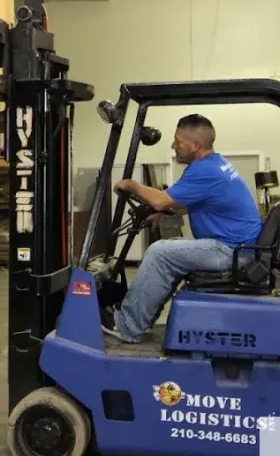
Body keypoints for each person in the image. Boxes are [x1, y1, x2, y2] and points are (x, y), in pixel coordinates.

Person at [100, 114, 263, 343]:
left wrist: (132, 185)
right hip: (238, 247)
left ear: (195, 145)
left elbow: (160, 199)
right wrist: (162, 211)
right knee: (172, 249)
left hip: (232, 250)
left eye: (178, 141)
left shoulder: (204, 170)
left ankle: (127, 326)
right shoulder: (215, 164)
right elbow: (190, 201)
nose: (173, 145)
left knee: (159, 254)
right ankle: (141, 317)